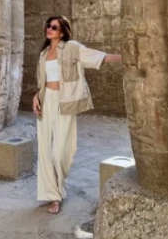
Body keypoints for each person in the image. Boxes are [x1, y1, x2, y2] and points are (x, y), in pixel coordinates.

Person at [32, 15, 122, 214]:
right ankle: (53, 196)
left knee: (60, 153)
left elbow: (98, 57)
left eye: (54, 27)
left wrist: (124, 57)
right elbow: (42, 81)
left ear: (62, 32)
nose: (49, 29)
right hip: (46, 101)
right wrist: (36, 96)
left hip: (65, 101)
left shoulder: (72, 47)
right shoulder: (44, 53)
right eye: (48, 26)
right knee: (45, 151)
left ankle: (58, 187)